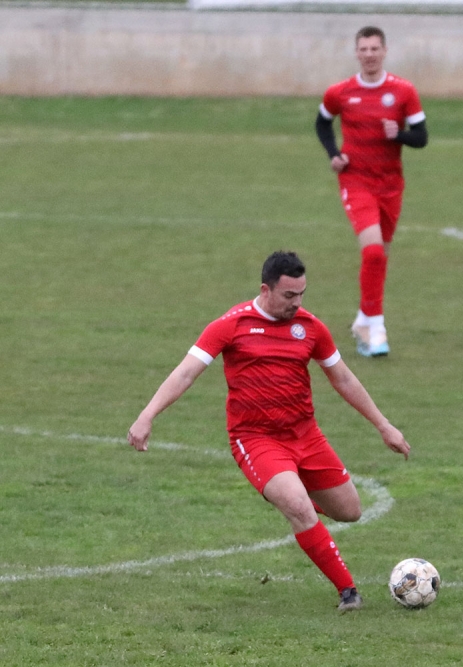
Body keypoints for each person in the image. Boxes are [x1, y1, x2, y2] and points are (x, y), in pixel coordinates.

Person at [127, 251, 410, 611]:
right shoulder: (232, 324)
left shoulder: (310, 327)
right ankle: (348, 591)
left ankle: (301, 506)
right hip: (256, 439)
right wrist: (147, 415)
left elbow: (343, 378)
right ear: (266, 289)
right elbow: (186, 372)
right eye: (289, 296)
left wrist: (384, 426)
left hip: (306, 435)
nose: (297, 303)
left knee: (350, 511)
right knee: (300, 508)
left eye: (302, 294)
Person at [315, 25, 428, 358]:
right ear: (356, 53)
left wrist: (399, 136)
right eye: (363, 49)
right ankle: (375, 327)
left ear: (384, 51)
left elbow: (421, 137)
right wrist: (334, 154)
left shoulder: (403, 91)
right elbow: (322, 122)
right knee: (374, 253)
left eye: (374, 49)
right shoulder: (340, 92)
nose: (369, 55)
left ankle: (363, 318)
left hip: (391, 185)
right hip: (356, 181)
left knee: (381, 257)